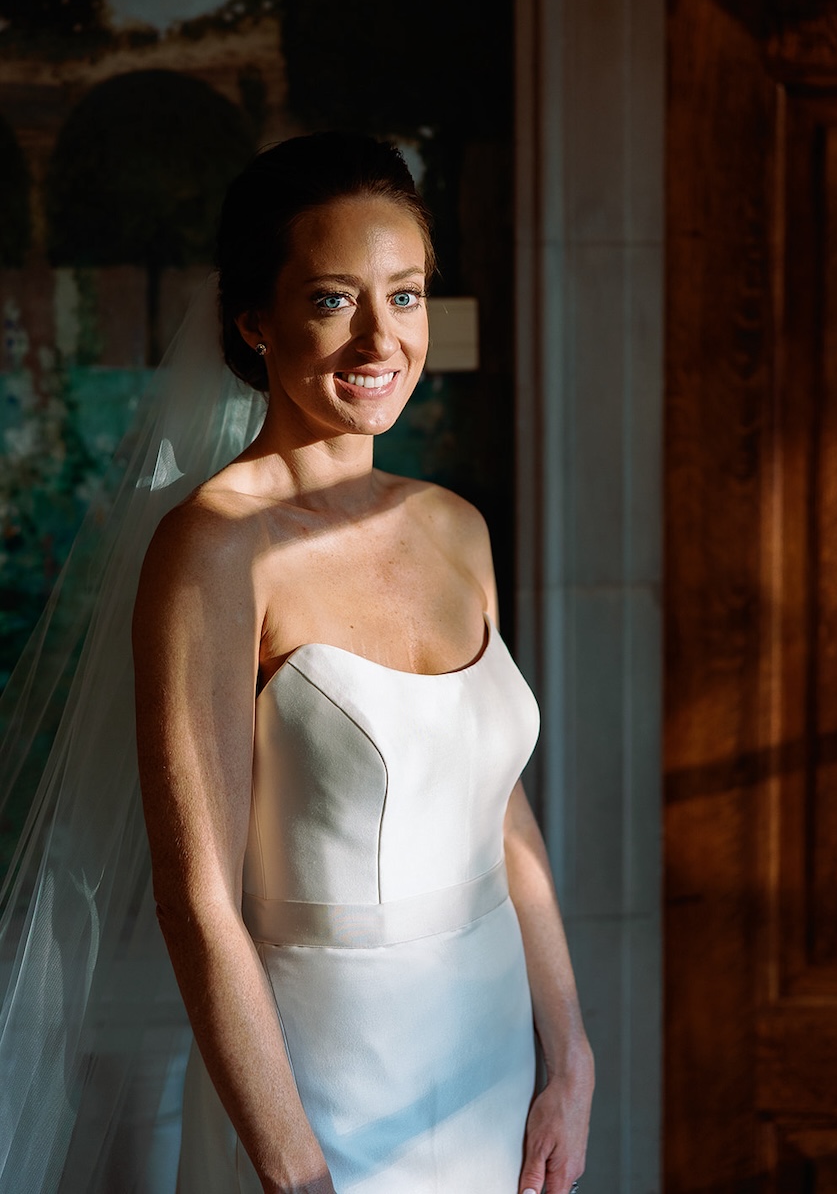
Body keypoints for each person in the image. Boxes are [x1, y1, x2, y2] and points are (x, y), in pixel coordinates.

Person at [1, 132, 593, 1192]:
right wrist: (297, 1172)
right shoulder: (213, 551)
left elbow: (498, 809)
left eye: (404, 295)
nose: (380, 339)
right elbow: (197, 902)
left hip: (492, 1055)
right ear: (252, 322)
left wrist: (573, 1059)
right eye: (332, 299)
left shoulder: (454, 527)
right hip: (321, 1084)